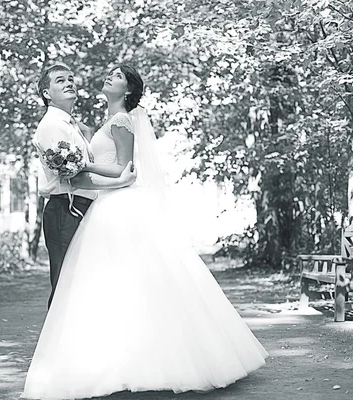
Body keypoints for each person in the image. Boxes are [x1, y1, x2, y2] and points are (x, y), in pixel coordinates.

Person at [23, 65, 268, 400]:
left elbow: (119, 168)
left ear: (128, 91)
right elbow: (84, 173)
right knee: (74, 287)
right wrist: (102, 174)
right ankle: (82, 360)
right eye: (60, 81)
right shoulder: (57, 124)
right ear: (45, 92)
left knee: (101, 285)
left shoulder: (113, 121)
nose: (107, 78)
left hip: (104, 207)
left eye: (118, 76)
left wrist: (98, 171)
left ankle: (101, 362)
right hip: (79, 207)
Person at [33, 63, 136, 309]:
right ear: (46, 93)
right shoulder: (52, 126)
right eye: (60, 80)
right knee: (65, 287)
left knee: (80, 284)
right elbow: (74, 177)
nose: (69, 83)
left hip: (79, 208)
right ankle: (56, 346)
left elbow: (84, 164)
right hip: (64, 210)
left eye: (71, 79)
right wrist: (119, 181)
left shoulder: (70, 125)